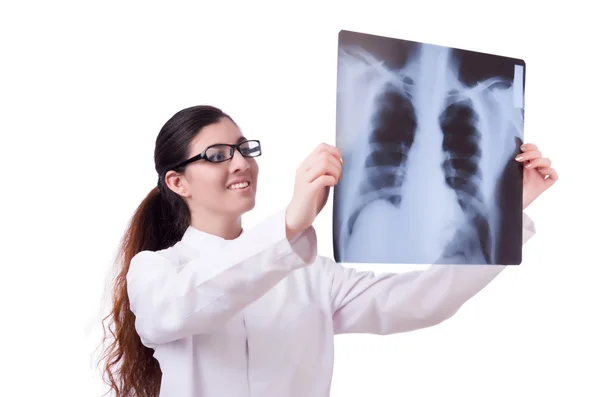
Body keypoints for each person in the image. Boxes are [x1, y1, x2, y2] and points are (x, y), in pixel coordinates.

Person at [99, 105, 558, 397]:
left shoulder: (310, 274)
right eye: (217, 155)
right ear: (177, 182)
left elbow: (420, 302)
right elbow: (180, 310)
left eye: (243, 149)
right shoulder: (156, 272)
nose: (241, 162)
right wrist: (290, 224)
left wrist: (506, 215)